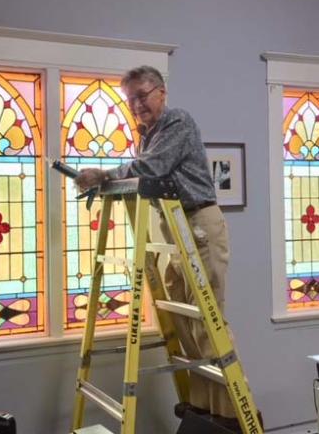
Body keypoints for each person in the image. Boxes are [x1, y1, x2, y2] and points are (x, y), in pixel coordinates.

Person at [74, 65, 243, 430]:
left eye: (142, 95)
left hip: (199, 226)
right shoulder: (145, 135)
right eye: (131, 99)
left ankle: (230, 418)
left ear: (161, 93)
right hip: (175, 229)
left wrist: (103, 175)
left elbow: (153, 167)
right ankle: (203, 412)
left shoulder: (176, 122)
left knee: (208, 323)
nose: (136, 105)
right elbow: (146, 174)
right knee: (186, 324)